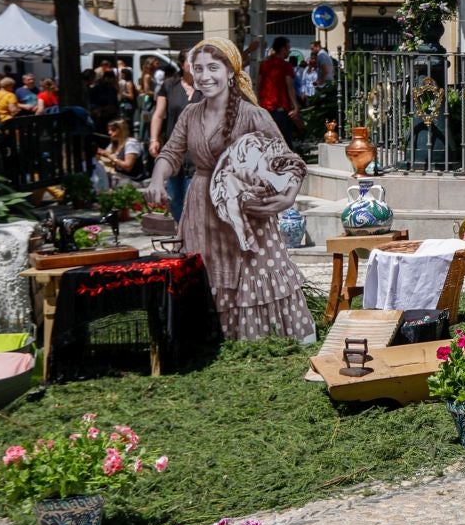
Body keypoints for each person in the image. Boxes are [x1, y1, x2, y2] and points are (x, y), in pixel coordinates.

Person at [144, 39, 314, 342]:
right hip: (201, 208)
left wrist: (285, 198)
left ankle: (255, 340)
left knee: (251, 271)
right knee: (207, 271)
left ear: (231, 72)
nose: (205, 76)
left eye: (213, 68)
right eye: (198, 69)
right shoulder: (190, 115)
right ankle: (210, 338)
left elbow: (289, 163)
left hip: (246, 212)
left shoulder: (252, 115)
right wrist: (157, 178)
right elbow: (171, 153)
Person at [149, 64, 195, 219]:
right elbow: (158, 114)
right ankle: (180, 232)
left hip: (198, 151)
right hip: (175, 149)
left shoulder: (207, 86)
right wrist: (154, 139)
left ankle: (191, 237)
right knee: (175, 198)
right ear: (183, 64)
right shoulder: (170, 86)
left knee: (194, 198)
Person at [255, 36, 300, 143]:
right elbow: (290, 87)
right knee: (284, 142)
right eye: (288, 48)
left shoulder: (264, 65)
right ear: (283, 49)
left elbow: (258, 84)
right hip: (280, 110)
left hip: (265, 109)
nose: (289, 51)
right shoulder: (286, 66)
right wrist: (296, 106)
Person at [94, 118, 144, 187]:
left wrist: (109, 156)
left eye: (113, 130)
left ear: (122, 131)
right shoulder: (114, 144)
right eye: (109, 130)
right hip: (117, 179)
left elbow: (128, 166)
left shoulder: (131, 143)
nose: (109, 133)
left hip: (131, 182)